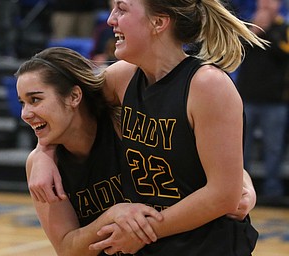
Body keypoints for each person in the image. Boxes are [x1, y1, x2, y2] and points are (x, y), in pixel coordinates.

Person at [29, 0, 267, 255]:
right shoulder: (122, 77)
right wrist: (42, 154)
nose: (110, 19)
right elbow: (66, 111)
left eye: (122, 9)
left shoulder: (207, 85)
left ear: (158, 22)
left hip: (205, 247)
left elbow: (223, 195)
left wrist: (145, 232)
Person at [16, 46, 164, 255]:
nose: (25, 114)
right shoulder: (39, 165)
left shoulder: (121, 123)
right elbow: (67, 249)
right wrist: (112, 215)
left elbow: (148, 64)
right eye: (22, 103)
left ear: (74, 96)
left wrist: (43, 150)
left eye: (35, 100)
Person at [236, 0, 289, 201]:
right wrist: (254, 31)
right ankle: (239, 190)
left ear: (278, 6)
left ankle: (272, 191)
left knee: (273, 148)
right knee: (241, 147)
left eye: (271, 1)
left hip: (275, 100)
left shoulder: (283, 28)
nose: (266, 5)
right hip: (246, 97)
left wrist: (267, 30)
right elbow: (235, 50)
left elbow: (284, 53)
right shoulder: (247, 26)